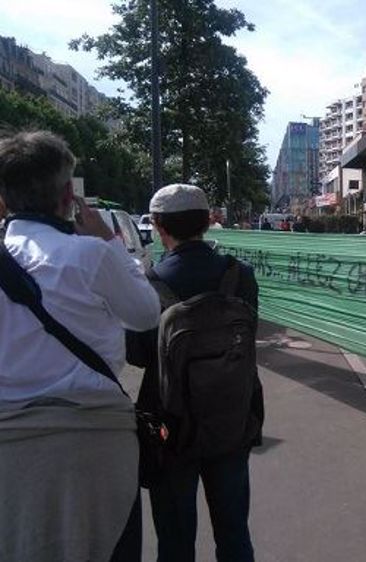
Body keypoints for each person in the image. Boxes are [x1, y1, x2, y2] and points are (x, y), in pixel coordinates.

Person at [0, 130, 161, 562]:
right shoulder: (91, 254)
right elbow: (146, 314)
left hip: (10, 448)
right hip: (96, 441)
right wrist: (109, 241)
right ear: (69, 193)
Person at [128, 184, 263, 562]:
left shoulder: (149, 282)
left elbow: (137, 354)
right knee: (234, 534)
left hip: (170, 426)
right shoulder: (240, 275)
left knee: (174, 540)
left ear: (157, 225)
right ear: (208, 221)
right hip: (232, 418)